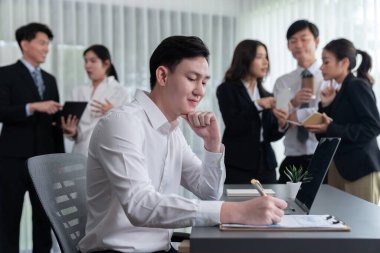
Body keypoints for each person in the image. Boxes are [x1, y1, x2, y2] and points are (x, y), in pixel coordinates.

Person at [78, 36, 287, 253]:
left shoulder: (172, 130)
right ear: (162, 75)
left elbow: (208, 192)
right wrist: (236, 211)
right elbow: (140, 205)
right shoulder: (122, 123)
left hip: (161, 247)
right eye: (192, 78)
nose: (200, 91)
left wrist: (212, 144)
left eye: (204, 82)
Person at [0, 23, 64, 253]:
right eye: (42, 42)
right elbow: (2, 111)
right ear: (25, 44)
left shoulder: (50, 79)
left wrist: (59, 159)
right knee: (7, 221)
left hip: (45, 163)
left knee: (44, 221)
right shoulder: (5, 74)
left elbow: (55, 122)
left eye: (48, 43)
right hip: (12, 161)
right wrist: (33, 106)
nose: (46, 48)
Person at [305, 38, 380, 204]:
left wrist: (331, 127)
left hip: (360, 169)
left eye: (326, 62)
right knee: (340, 222)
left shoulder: (356, 85)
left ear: (344, 62)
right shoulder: (340, 91)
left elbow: (373, 127)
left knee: (362, 225)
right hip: (340, 168)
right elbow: (326, 132)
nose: (321, 67)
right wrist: (325, 105)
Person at [216, 40, 286, 184]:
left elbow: (270, 136)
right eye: (259, 57)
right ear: (245, 59)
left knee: (270, 205)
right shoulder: (226, 89)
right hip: (238, 165)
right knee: (238, 205)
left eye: (266, 57)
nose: (266, 62)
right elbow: (233, 125)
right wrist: (257, 105)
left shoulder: (267, 94)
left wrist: (281, 124)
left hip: (266, 165)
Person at [273, 20, 324, 183]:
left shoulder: (329, 77)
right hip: (293, 158)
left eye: (304, 39)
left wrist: (294, 115)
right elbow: (281, 120)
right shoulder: (283, 82)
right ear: (288, 46)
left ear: (316, 41)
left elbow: (327, 114)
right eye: (293, 41)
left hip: (323, 157)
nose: (298, 45)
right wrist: (293, 102)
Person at [61, 45, 128, 156]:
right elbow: (78, 133)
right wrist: (72, 132)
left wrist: (114, 112)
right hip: (80, 152)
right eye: (86, 61)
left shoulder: (120, 91)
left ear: (106, 64)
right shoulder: (77, 91)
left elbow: (128, 127)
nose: (87, 65)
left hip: (107, 153)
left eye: (93, 61)